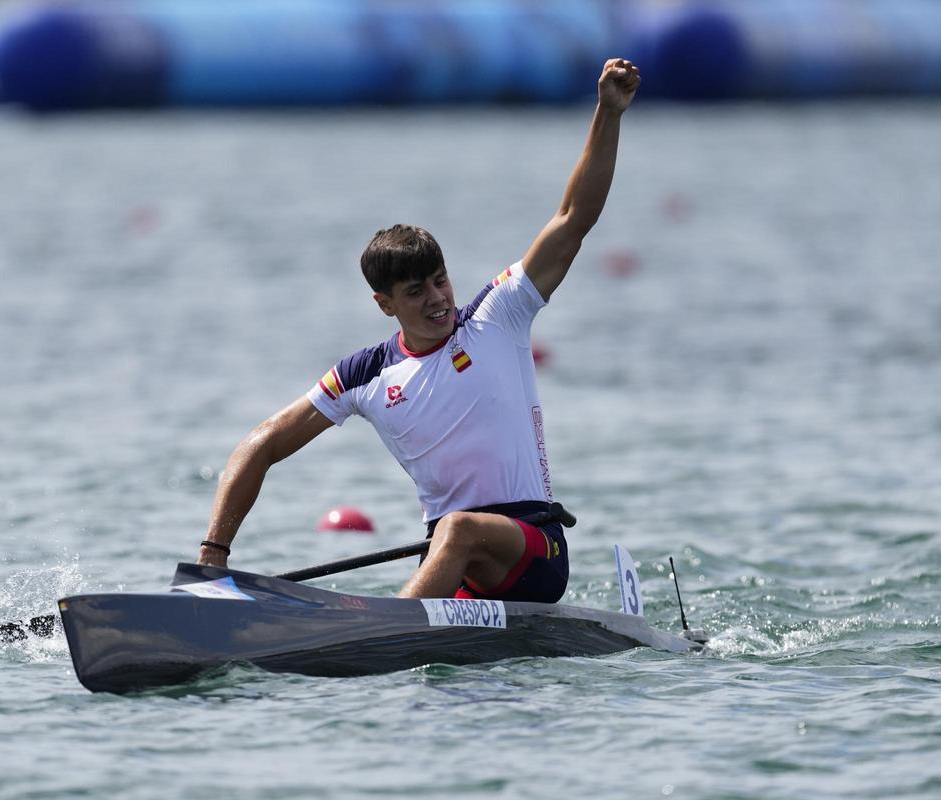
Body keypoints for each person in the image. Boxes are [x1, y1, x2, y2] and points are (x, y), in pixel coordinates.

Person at [198, 59, 641, 601]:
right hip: (461, 568)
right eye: (416, 292)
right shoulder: (364, 376)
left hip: (535, 552)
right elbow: (264, 443)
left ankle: (380, 631)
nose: (438, 299)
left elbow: (573, 220)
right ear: (384, 305)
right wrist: (212, 554)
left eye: (440, 280)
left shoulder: (498, 316)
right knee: (451, 538)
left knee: (456, 529)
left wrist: (608, 113)